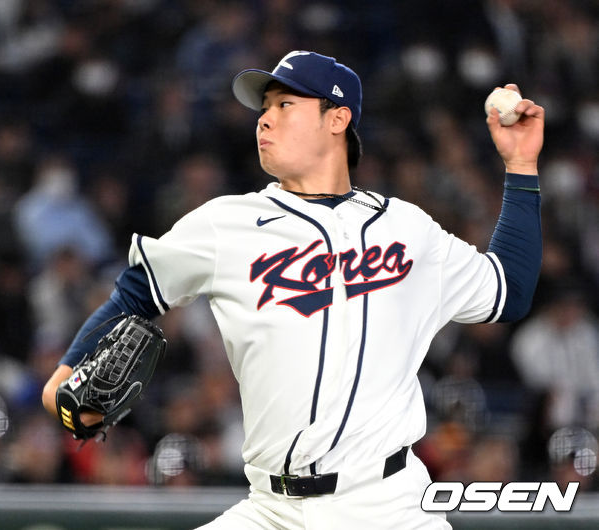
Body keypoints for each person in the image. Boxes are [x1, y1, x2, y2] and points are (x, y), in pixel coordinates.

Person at [42, 51, 544, 529]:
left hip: (387, 504)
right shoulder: (224, 224)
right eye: (264, 108)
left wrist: (521, 166)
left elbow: (509, 289)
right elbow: (133, 296)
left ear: (337, 119)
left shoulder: (408, 230)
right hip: (272, 508)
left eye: (285, 105)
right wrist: (60, 386)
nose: (264, 120)